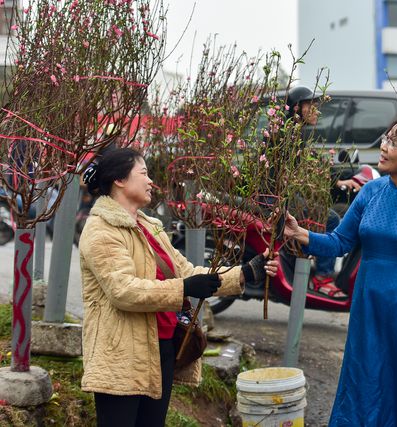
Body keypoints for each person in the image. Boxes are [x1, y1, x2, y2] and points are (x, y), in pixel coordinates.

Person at [283, 116, 397, 425]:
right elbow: (339, 241)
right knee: (364, 375)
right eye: (384, 138)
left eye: (392, 142)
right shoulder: (371, 192)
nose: (382, 146)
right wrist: (302, 235)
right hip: (369, 302)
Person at [78, 148, 278, 426]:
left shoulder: (148, 226)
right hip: (122, 355)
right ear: (120, 180)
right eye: (144, 173)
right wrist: (183, 288)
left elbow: (186, 271)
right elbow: (124, 291)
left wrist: (244, 273)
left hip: (161, 347)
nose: (151, 182)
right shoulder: (101, 230)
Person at [286, 85, 360, 299]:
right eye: (312, 106)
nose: (317, 111)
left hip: (285, 193)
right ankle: (322, 276)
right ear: (298, 108)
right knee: (331, 219)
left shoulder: (294, 134)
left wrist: (336, 182)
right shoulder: (287, 135)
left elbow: (310, 166)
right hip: (278, 196)